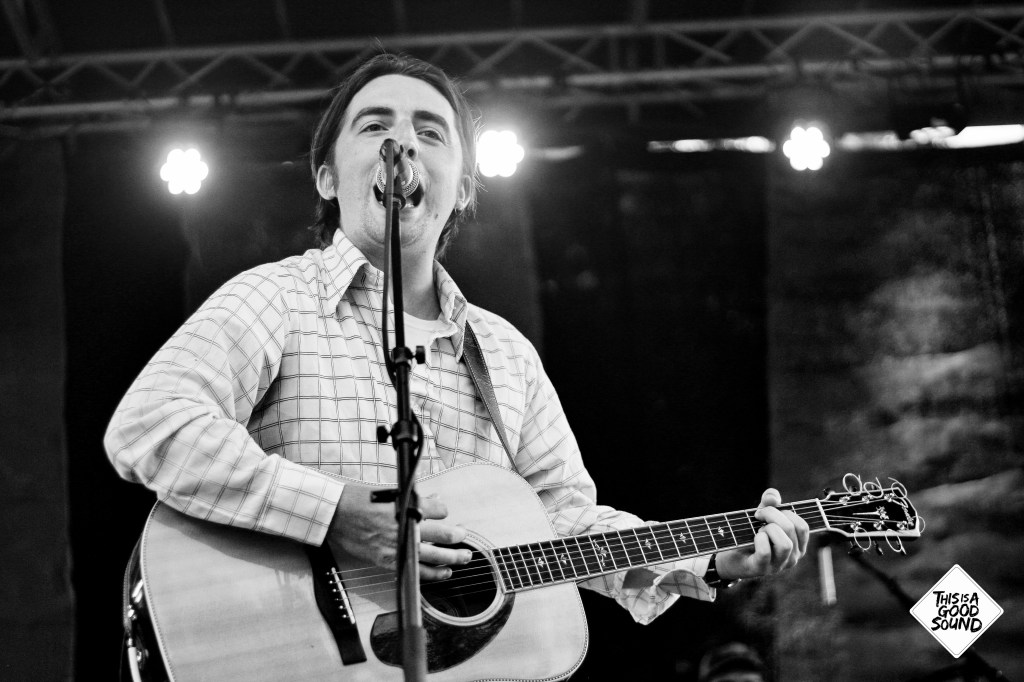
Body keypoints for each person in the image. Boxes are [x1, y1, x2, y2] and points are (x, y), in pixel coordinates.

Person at [104, 53, 808, 632]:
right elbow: (151, 423)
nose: (402, 143)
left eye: (431, 132)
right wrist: (330, 515)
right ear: (328, 177)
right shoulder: (276, 298)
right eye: (374, 125)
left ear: (464, 188)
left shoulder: (505, 354)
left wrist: (711, 558)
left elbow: (564, 524)